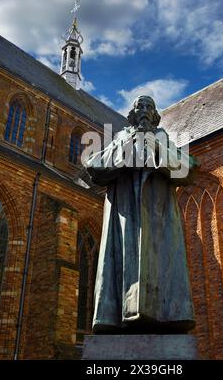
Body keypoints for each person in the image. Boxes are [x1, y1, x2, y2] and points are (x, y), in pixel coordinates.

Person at [81, 95, 197, 334]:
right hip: (125, 215)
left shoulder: (163, 139)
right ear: (132, 114)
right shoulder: (120, 138)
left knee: (161, 263)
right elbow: (94, 165)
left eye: (149, 107)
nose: (144, 110)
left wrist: (155, 148)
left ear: (155, 116)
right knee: (123, 261)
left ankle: (168, 315)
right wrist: (126, 153)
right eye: (139, 107)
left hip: (159, 216)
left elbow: (187, 168)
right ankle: (116, 316)